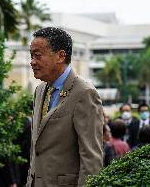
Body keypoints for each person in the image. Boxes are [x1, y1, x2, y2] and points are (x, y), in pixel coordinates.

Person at [27, 27, 103, 187]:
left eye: (38, 55)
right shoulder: (40, 90)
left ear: (61, 56)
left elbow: (91, 158)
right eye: (31, 56)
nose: (32, 62)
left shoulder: (84, 93)